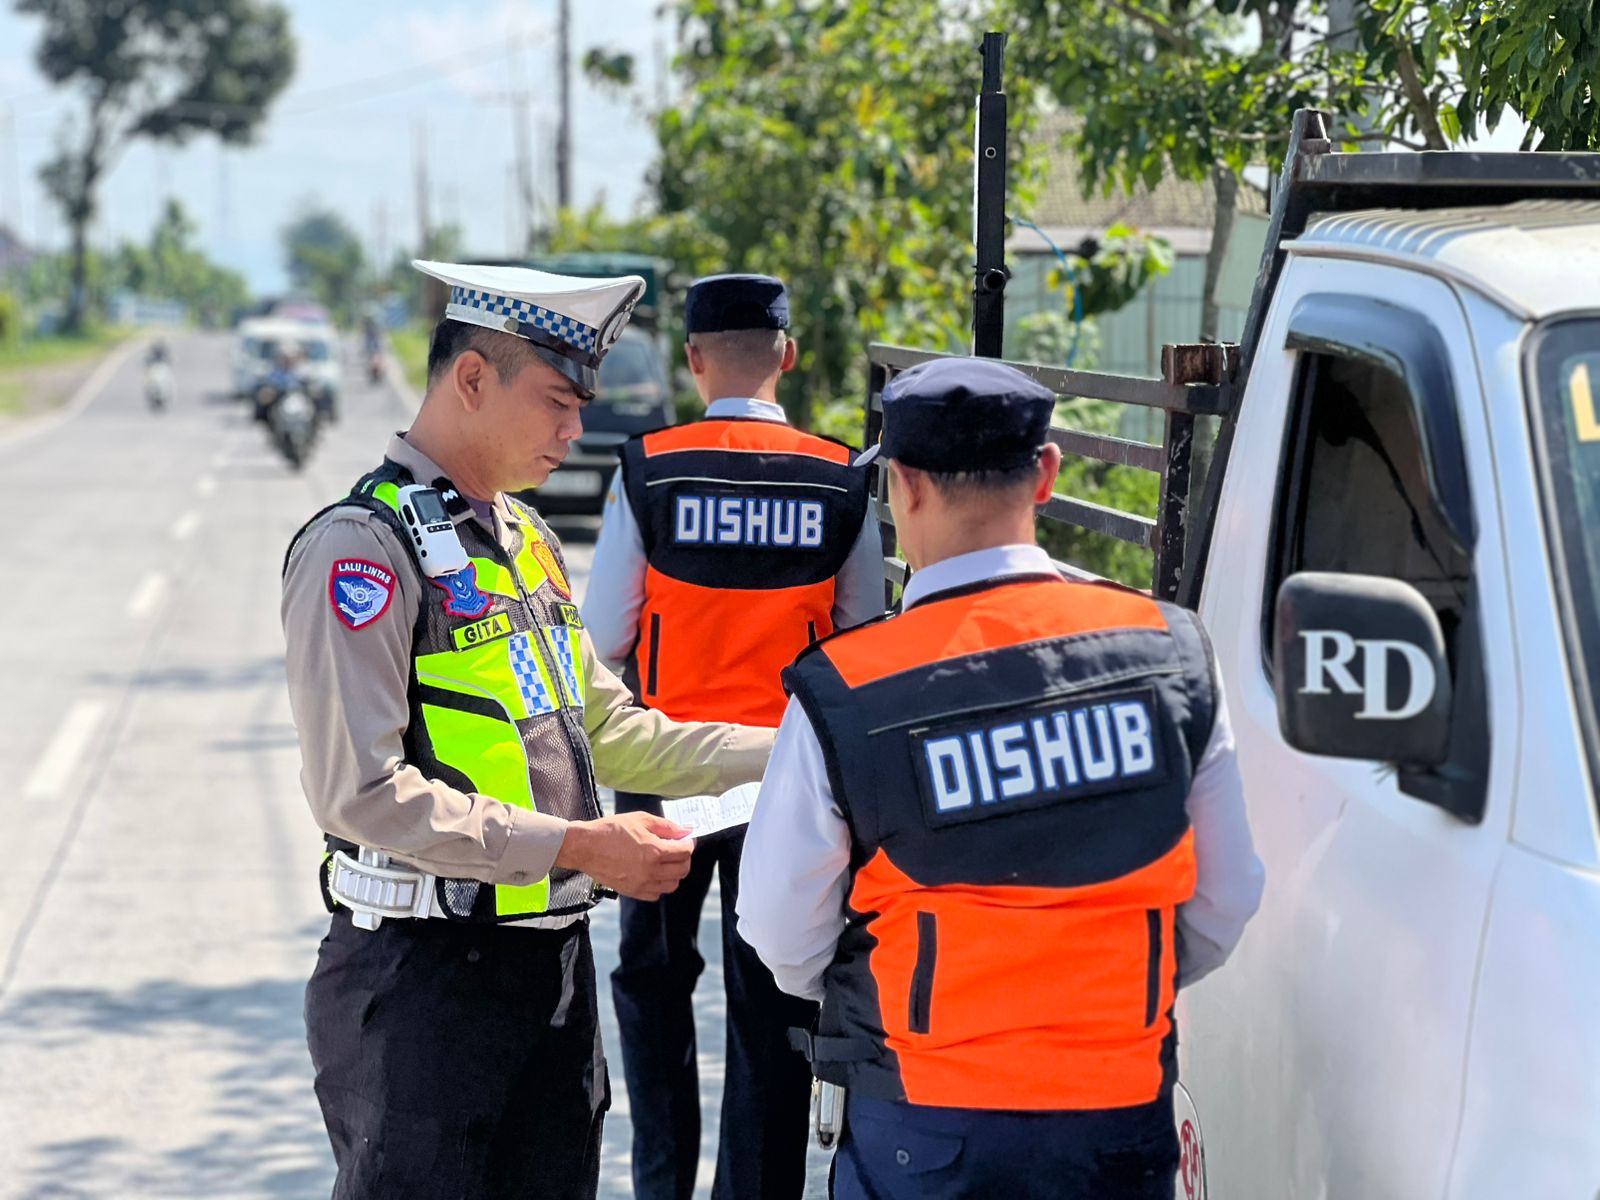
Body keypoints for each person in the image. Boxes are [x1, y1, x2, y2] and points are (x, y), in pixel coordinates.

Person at [281, 260, 776, 1200]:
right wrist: (581, 845)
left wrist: (801, 747)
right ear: (472, 379)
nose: (575, 429)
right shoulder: (363, 550)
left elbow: (616, 731)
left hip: (547, 973)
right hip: (421, 986)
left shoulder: (525, 540)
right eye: (555, 401)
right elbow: (363, 793)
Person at [737, 358, 1266, 1198]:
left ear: (901, 486)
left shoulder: (847, 688)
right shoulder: (1171, 651)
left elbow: (778, 932)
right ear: (1048, 474)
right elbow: (1226, 897)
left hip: (924, 1122)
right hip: (1117, 1115)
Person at [583, 273, 884, 1199]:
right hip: (791, 785)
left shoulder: (649, 469)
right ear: (788, 355)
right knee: (775, 1003)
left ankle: (662, 1185)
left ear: (693, 360)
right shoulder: (842, 478)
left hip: (666, 771)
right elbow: (865, 640)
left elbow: (600, 640)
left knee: (654, 987)